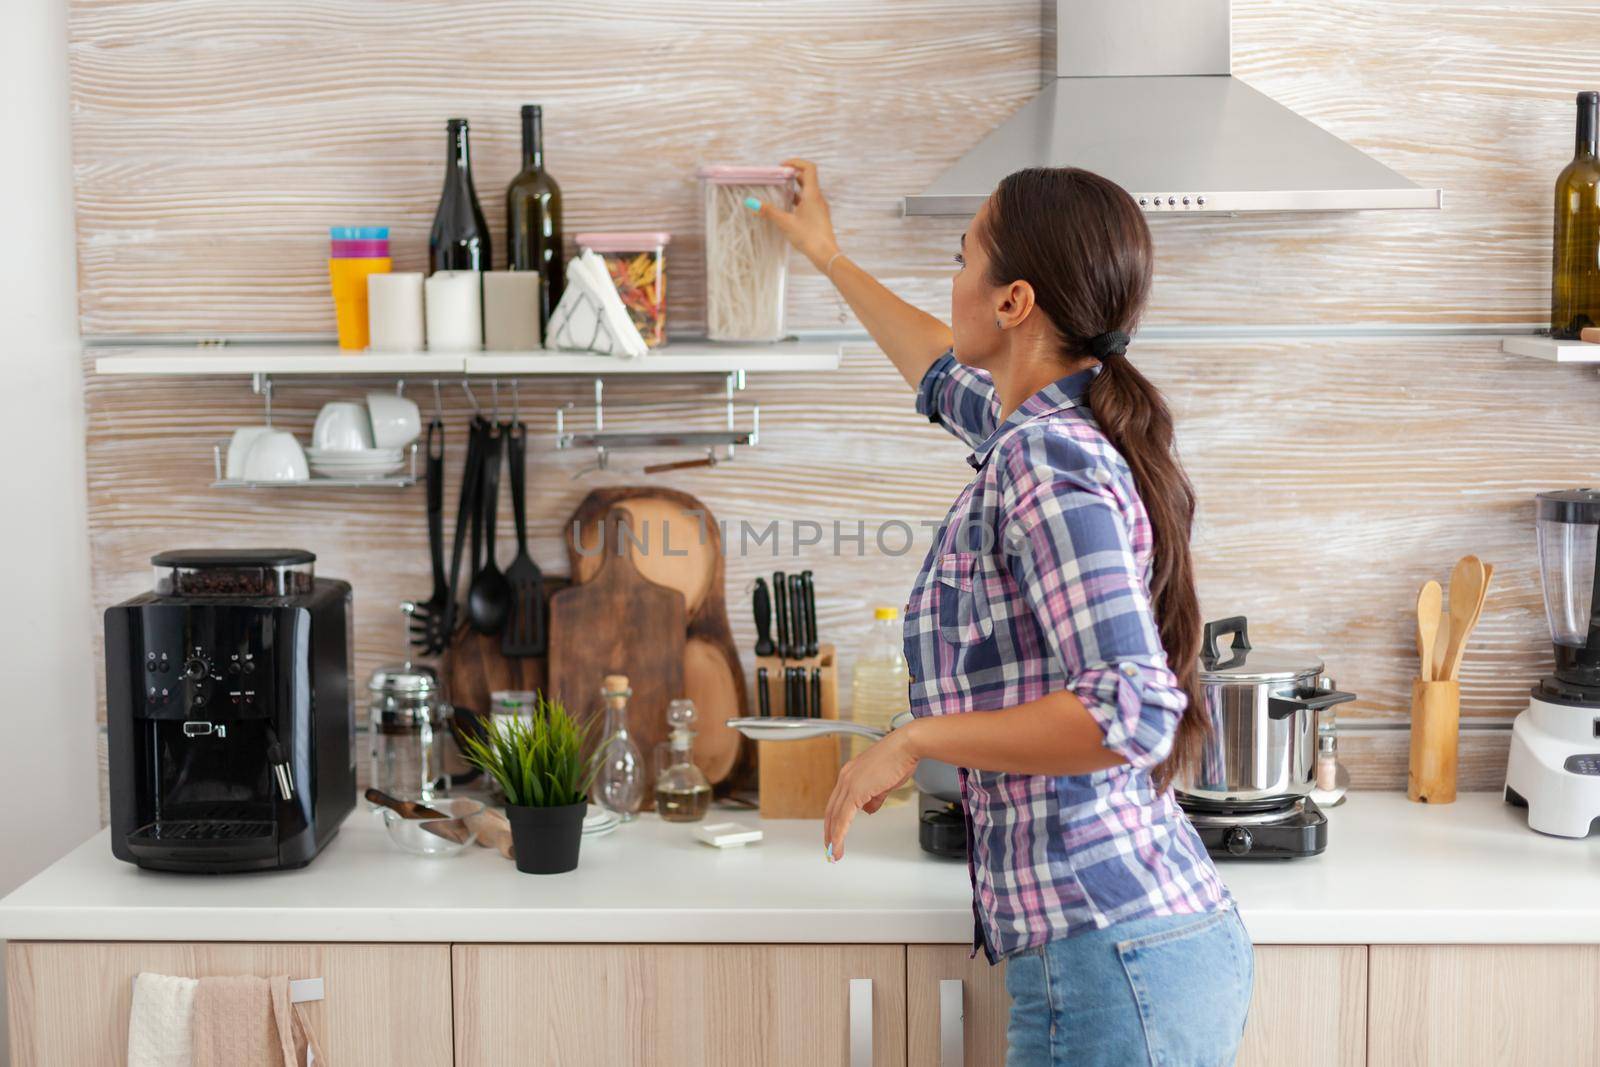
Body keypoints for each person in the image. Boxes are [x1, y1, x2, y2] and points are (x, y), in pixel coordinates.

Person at [754, 160, 1253, 1066]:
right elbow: (938, 369)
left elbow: (1129, 710)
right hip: (1131, 949)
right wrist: (826, 255)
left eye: (962, 257)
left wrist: (916, 739)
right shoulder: (1047, 428)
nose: (952, 283)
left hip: (1111, 964)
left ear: (1014, 301)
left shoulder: (1044, 459)